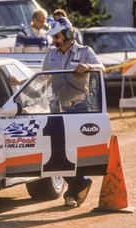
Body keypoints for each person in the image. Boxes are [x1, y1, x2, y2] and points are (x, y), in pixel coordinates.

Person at [43, 17, 105, 207]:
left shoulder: (85, 51)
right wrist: (21, 85)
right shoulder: (51, 54)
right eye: (53, 35)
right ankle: (79, 183)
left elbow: (102, 68)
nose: (54, 38)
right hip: (56, 107)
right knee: (56, 152)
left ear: (69, 34)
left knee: (71, 152)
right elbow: (43, 78)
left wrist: (88, 67)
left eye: (57, 34)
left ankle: (74, 189)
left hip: (79, 107)